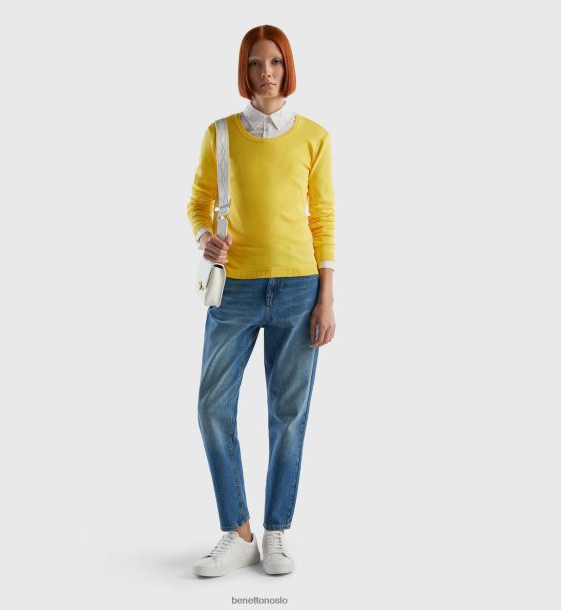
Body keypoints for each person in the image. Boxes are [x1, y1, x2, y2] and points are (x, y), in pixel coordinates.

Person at [187, 25, 336, 578]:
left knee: (288, 413)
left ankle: (276, 531)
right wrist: (204, 236)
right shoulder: (220, 134)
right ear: (244, 70)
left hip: (299, 288)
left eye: (274, 62)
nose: (265, 72)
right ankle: (239, 530)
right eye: (255, 63)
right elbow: (198, 202)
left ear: (287, 67)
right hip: (235, 289)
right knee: (212, 408)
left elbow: (323, 219)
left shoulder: (315, 136)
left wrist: (326, 296)